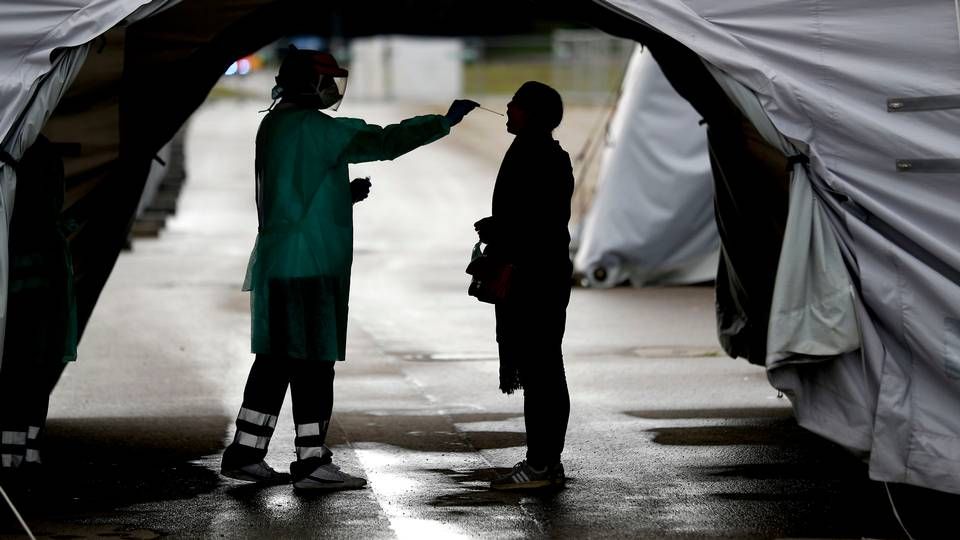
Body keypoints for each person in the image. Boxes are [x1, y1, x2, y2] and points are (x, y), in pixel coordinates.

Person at [220, 47, 478, 490]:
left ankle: (245, 452)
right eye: (326, 82)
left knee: (275, 360)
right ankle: (312, 462)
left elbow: (295, 188)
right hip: (313, 264)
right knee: (315, 362)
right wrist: (443, 123)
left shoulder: (274, 124)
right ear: (309, 84)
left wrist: (341, 192)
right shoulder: (318, 129)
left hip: (279, 261)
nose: (331, 92)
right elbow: (383, 141)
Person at [474, 81, 574, 490]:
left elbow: (538, 225)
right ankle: (547, 461)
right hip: (540, 276)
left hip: (536, 281)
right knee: (544, 369)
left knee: (541, 372)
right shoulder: (539, 151)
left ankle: (540, 465)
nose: (509, 108)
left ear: (532, 113)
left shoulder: (539, 156)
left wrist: (499, 230)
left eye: (516, 104)